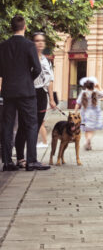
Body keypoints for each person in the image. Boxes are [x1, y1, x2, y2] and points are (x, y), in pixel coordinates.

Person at [0, 15, 48, 171]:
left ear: (11, 27)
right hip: (26, 91)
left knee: (7, 126)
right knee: (31, 125)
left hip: (8, 91)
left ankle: (7, 162)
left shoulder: (3, 46)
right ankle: (31, 161)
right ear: (25, 27)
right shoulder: (29, 45)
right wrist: (28, 79)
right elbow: (37, 68)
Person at [15, 33, 55, 159]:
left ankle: (31, 158)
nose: (40, 43)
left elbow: (50, 80)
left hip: (42, 95)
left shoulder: (46, 60)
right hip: (29, 93)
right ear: (32, 43)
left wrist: (52, 99)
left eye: (42, 41)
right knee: (23, 126)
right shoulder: (26, 59)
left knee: (36, 126)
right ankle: (21, 157)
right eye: (37, 40)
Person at [74, 77, 103, 150]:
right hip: (94, 113)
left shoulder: (83, 93)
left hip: (84, 113)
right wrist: (99, 87)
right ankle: (88, 140)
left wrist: (75, 112)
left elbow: (78, 103)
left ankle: (88, 143)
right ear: (93, 85)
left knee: (86, 129)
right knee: (91, 129)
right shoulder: (96, 92)